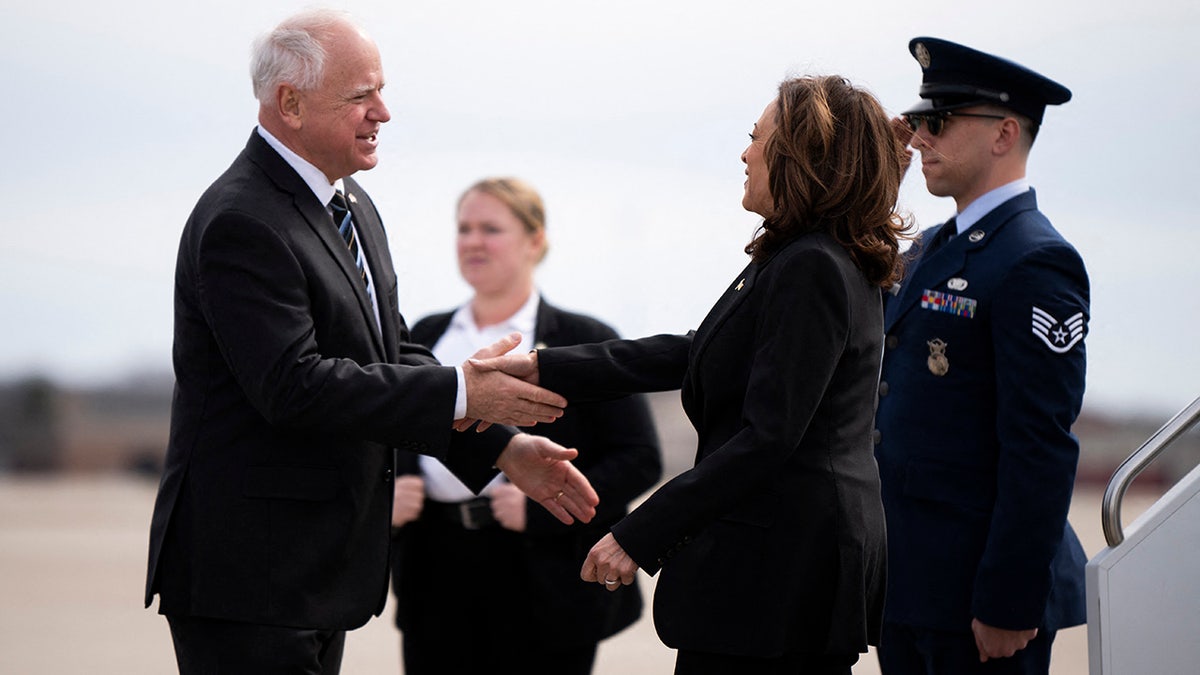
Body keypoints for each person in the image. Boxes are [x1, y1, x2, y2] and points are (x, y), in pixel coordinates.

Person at [143, 10, 598, 674]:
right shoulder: (243, 220)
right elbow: (294, 386)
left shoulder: (350, 204)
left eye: (380, 90)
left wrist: (500, 445)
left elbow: (387, 358)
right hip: (251, 577)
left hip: (318, 575)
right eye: (361, 96)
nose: (382, 111)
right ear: (289, 103)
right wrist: (466, 390)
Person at [475, 75, 909, 674]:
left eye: (757, 138)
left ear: (800, 157)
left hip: (780, 579)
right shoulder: (804, 256)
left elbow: (768, 438)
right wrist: (542, 367)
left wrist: (637, 533)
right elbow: (694, 351)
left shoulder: (811, 265)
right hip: (778, 572)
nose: (745, 152)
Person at [873, 37, 1089, 674]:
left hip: (980, 598)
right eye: (915, 122)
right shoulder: (934, 245)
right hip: (911, 581)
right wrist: (877, 182)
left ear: (1004, 134)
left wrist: (1009, 601)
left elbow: (1040, 445)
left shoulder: (1034, 259)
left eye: (936, 122)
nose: (917, 140)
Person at [389, 177, 663, 675]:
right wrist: (391, 487)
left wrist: (540, 507)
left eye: (490, 228)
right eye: (464, 228)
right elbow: (387, 425)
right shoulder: (424, 335)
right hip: (434, 565)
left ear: (535, 240)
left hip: (548, 574)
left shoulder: (584, 339)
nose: (472, 241)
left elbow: (641, 459)